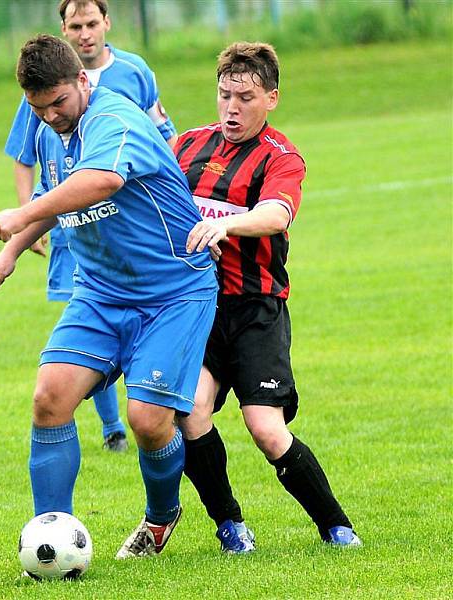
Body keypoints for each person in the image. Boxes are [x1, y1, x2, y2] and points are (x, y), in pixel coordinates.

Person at [0, 35, 218, 559]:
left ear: (82, 82)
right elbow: (54, 194)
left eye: (58, 104)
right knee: (49, 399)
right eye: (37, 108)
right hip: (100, 292)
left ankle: (160, 518)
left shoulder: (115, 118)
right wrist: (14, 250)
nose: (49, 117)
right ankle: (52, 535)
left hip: (173, 292)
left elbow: (101, 180)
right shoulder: (51, 128)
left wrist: (19, 215)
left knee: (147, 421)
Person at [176, 41, 361, 550]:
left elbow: (276, 215)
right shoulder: (188, 145)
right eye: (224, 95)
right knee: (190, 410)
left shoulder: (282, 157)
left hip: (256, 309)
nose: (232, 108)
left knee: (265, 429)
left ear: (271, 98)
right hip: (198, 308)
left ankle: (335, 526)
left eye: (246, 98)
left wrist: (225, 226)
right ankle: (229, 524)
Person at [4, 0, 178, 452]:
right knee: (82, 338)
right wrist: (19, 239)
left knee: (151, 402)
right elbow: (35, 165)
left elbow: (160, 139)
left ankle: (141, 423)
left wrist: (184, 209)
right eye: (74, 26)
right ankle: (110, 426)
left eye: (91, 23)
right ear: (64, 30)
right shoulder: (45, 103)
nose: (84, 33)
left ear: (107, 23)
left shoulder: (132, 75)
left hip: (139, 236)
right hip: (75, 231)